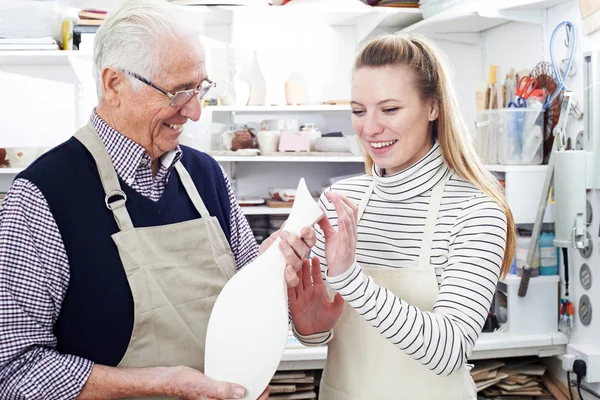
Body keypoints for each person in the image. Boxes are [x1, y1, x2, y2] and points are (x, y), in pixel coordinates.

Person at [0, 1, 316, 399]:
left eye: (200, 88)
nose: (196, 111)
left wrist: (271, 269)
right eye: (179, 91)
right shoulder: (41, 196)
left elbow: (243, 310)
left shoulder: (207, 175)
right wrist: (162, 386)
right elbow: (13, 371)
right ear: (114, 84)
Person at [288, 34, 516, 399]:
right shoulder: (340, 201)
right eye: (359, 111)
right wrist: (310, 327)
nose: (369, 128)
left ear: (433, 108)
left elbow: (449, 351)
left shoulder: (476, 210)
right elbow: (323, 333)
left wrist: (350, 279)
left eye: (390, 109)